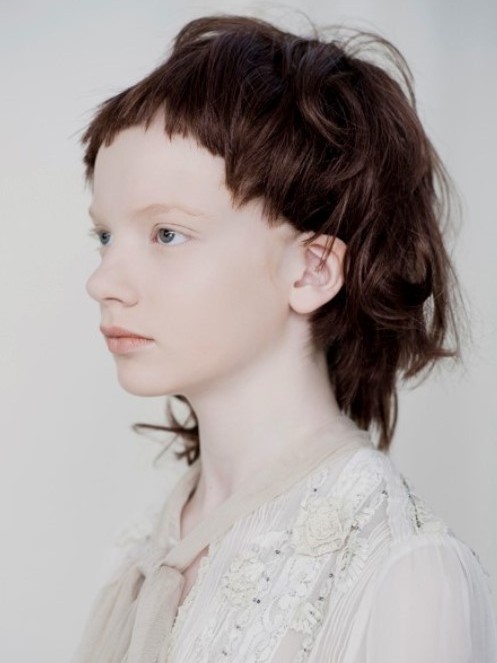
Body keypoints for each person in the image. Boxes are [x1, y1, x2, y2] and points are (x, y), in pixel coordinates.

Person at [72, 13, 497, 663]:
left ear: (312, 269)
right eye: (105, 235)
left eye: (166, 234)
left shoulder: (403, 573)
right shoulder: (140, 551)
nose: (102, 281)